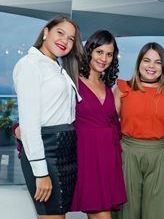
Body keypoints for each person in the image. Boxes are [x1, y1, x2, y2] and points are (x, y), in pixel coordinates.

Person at [13, 15, 83, 218]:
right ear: (46, 32)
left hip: (64, 151)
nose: (65, 41)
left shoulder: (55, 66)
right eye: (60, 33)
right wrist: (41, 173)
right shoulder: (30, 65)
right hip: (47, 150)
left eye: (71, 38)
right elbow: (30, 124)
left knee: (58, 215)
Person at [114, 42, 164, 219]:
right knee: (126, 211)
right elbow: (108, 125)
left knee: (157, 212)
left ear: (163, 67)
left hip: (160, 155)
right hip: (128, 154)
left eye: (158, 62)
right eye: (147, 60)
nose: (151, 66)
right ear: (139, 63)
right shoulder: (122, 89)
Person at [71, 30, 126, 219]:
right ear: (90, 51)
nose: (104, 58)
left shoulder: (107, 86)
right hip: (88, 158)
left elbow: (115, 123)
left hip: (109, 159)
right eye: (99, 52)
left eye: (109, 54)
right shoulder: (73, 81)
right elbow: (52, 110)